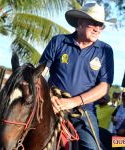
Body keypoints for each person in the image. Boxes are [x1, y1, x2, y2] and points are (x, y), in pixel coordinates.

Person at [39, 2, 114, 150]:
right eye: (94, 23)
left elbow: (104, 87)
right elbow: (40, 73)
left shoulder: (105, 50)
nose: (98, 29)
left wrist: (73, 102)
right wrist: (48, 96)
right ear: (80, 23)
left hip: (83, 112)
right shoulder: (59, 41)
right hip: (51, 104)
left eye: (101, 25)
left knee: (92, 147)